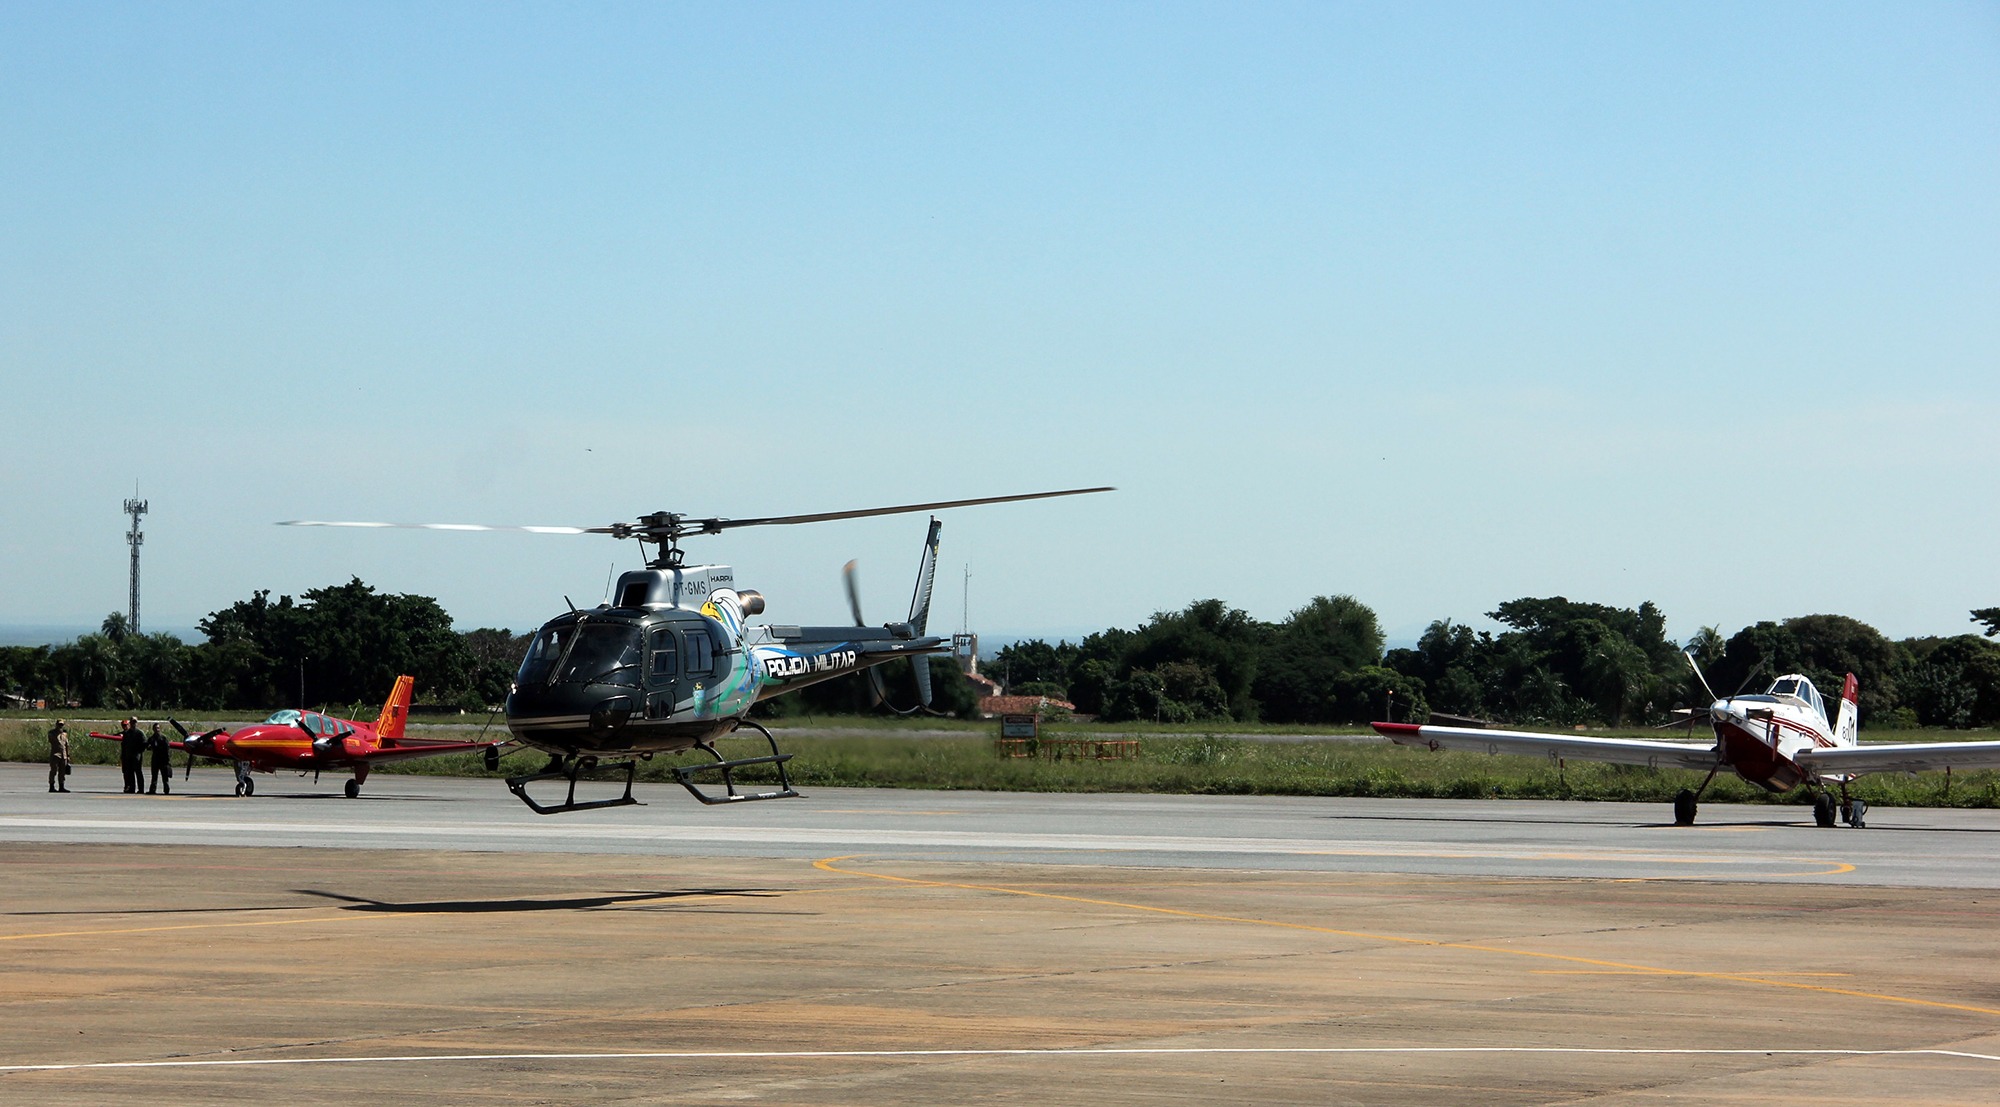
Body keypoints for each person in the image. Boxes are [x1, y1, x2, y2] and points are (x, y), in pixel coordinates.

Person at [119, 717, 146, 794]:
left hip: (137, 756)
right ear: (130, 723)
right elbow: (124, 745)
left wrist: (139, 752)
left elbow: (144, 743)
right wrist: (123, 755)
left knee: (138, 773)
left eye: (135, 722)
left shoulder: (140, 733)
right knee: (129, 772)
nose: (134, 723)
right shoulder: (127, 733)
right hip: (128, 756)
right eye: (132, 722)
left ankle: (141, 789)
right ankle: (132, 788)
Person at [147, 723, 172, 795]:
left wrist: (167, 761)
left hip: (163, 759)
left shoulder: (164, 738)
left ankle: (166, 790)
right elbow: (147, 746)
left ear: (159, 729)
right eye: (155, 728)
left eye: (158, 728)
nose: (156, 730)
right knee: (154, 776)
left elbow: (167, 749)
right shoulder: (151, 738)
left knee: (165, 777)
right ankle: (152, 790)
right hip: (155, 759)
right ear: (153, 729)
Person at [47, 719, 71, 793]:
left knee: (62, 772)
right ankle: (51, 786)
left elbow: (66, 745)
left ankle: (61, 786)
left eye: (62, 725)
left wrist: (68, 755)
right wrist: (57, 732)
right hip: (55, 754)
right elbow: (51, 740)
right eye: (59, 724)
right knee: (53, 771)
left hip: (63, 755)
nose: (60, 726)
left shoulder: (64, 734)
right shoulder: (52, 733)